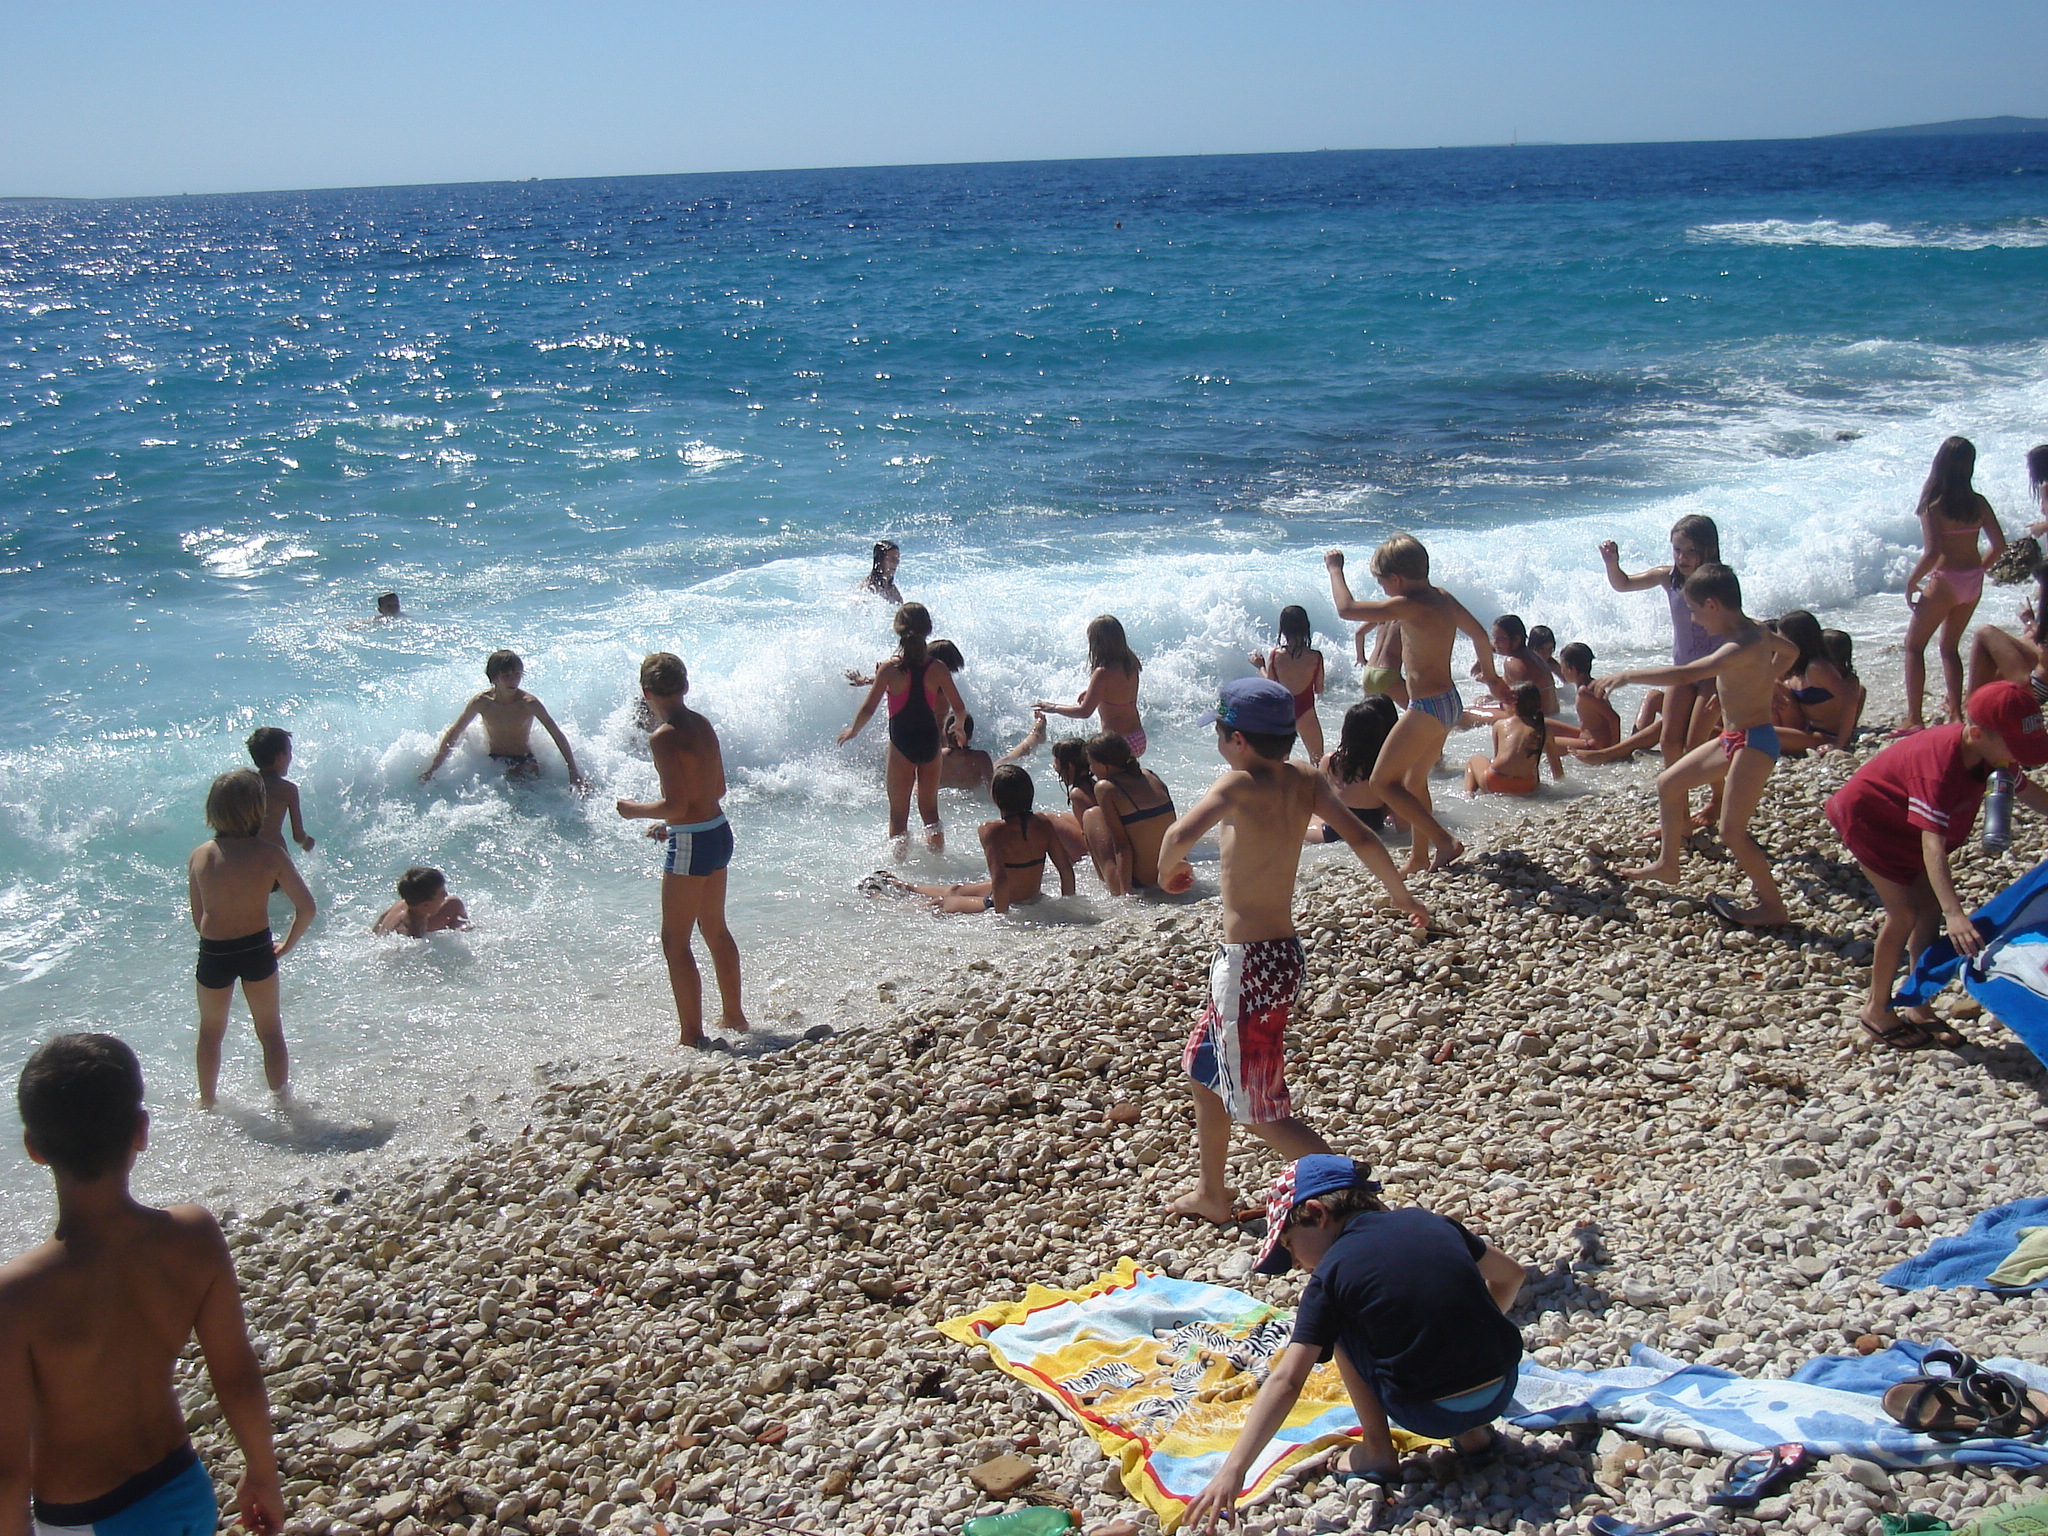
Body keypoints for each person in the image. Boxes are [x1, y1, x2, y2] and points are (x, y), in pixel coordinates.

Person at [1153, 679, 1429, 1225]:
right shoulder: (1305, 778)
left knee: (1258, 1111)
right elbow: (1362, 837)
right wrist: (1400, 895)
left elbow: (1177, 836)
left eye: (1219, 732)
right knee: (1203, 1069)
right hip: (1282, 956)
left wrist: (1167, 873)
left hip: (1248, 968)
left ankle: (1356, 1202)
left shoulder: (1235, 785)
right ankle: (1211, 1193)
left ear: (1236, 740)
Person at [0, 1035, 285, 1536]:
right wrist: (263, 1472)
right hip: (182, 1488)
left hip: (88, 1517)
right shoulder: (194, 1236)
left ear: (33, 1148)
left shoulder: (19, 1295)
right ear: (141, 1130)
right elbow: (236, 1373)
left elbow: (7, 1466)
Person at [1182, 1156, 1525, 1526]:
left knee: (1342, 1323)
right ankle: (1475, 1438)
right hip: (1501, 1387)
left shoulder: (1330, 1275)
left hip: (1429, 1412)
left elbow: (1287, 1380)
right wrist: (1462, 1330)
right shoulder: (1432, 1222)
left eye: (1290, 1244)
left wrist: (1233, 1471)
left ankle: (1377, 1450)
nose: (1296, 1263)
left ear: (1317, 1214)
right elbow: (1512, 1275)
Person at [1826, 680, 2048, 1050]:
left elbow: (2027, 791)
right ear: (1977, 734)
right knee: (1905, 914)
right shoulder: (1939, 765)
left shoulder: (1993, 754)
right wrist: (1955, 913)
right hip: (1869, 823)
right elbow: (1933, 846)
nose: (2019, 758)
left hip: (1906, 827)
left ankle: (1918, 1005)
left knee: (1927, 913)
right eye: (2016, 747)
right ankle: (1876, 1009)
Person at [1593, 564, 1797, 927]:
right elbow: (1790, 652)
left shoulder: (1738, 646)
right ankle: (1668, 865)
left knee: (1731, 832)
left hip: (1755, 742)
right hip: (1733, 738)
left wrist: (1628, 675)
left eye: (1695, 609)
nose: (1693, 618)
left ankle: (1773, 907)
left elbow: (1687, 674)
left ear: (1713, 605)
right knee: (1668, 783)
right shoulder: (1755, 629)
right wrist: (1761, 682)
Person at [1325, 538, 1510, 873]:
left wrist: (1335, 569)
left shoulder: (1409, 604)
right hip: (1449, 702)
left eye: (1381, 581)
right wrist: (1492, 677)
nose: (1382, 589)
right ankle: (1419, 856)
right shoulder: (1442, 597)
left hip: (1426, 707)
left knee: (1382, 783)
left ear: (1396, 579)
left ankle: (1444, 841)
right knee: (1413, 781)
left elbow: (1346, 609)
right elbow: (1480, 636)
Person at [615, 654, 748, 1048]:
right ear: (685, 686)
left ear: (646, 692)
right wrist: (672, 822)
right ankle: (734, 1015)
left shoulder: (663, 737)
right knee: (715, 928)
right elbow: (717, 789)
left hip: (693, 841)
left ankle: (691, 1034)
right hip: (718, 830)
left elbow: (675, 804)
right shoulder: (702, 724)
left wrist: (634, 810)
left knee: (675, 941)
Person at [188, 770, 315, 1109]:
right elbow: (306, 908)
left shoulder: (200, 855)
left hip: (214, 951)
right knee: (270, 1032)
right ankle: (283, 1103)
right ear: (258, 809)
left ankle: (207, 1103)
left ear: (213, 809)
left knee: (210, 1032)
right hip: (257, 947)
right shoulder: (271, 854)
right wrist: (287, 945)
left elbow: (198, 918)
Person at [838, 603, 968, 852]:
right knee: (930, 812)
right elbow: (959, 708)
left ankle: (899, 866)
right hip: (930, 744)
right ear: (928, 629)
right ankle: (938, 862)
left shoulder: (890, 669)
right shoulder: (937, 668)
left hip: (901, 745)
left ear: (898, 629)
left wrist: (853, 731)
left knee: (899, 816)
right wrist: (959, 727)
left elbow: (869, 709)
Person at [865, 765, 1077, 914]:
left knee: (943, 903)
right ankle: (903, 885)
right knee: (957, 889)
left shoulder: (992, 831)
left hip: (1003, 901)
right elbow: (1065, 869)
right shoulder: (1043, 824)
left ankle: (884, 902)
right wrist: (1068, 902)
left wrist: (1002, 918)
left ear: (996, 797)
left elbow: (1000, 878)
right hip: (1029, 895)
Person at [1597, 515, 1722, 765]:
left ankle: (1714, 786)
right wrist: (1612, 564)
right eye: (1677, 550)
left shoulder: (1719, 582)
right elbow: (1623, 584)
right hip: (1682, 670)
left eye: (1691, 551)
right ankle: (1678, 787)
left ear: (1709, 549)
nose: (1682, 557)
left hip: (1714, 671)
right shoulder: (1669, 577)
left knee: (1695, 742)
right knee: (1669, 741)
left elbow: (1738, 623)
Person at [1901, 436, 2005, 731]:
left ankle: (1915, 718)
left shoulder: (1934, 505)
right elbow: (1999, 545)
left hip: (1945, 580)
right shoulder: (1978, 503)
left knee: (1913, 646)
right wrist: (1979, 569)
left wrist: (1912, 581)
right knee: (1949, 647)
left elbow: (1933, 552)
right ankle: (1956, 714)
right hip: (1972, 580)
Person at [421, 650, 588, 790]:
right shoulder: (482, 702)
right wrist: (434, 768)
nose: (514, 680)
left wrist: (573, 772)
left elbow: (556, 734)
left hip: (524, 760)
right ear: (494, 678)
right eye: (507, 676)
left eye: (517, 675)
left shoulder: (529, 704)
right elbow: (456, 731)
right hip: (494, 761)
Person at [1083, 731, 1185, 894]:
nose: (1091, 769)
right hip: (1173, 874)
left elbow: (1121, 845)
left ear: (1104, 765)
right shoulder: (1150, 775)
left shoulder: (1105, 788)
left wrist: (1126, 893)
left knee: (1091, 815)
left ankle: (1109, 885)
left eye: (1091, 764)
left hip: (1142, 882)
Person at [1036, 615, 1147, 756]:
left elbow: (1084, 712)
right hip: (1138, 738)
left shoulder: (1103, 673)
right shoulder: (1131, 664)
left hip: (1117, 743)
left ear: (1098, 643)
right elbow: (1119, 690)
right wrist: (1093, 692)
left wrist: (1053, 707)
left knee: (1081, 762)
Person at [1306, 697, 1398, 843]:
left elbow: (1320, 802)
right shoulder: (1385, 765)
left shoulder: (1331, 761)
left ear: (1347, 730)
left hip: (1337, 830)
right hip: (1373, 827)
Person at [1771, 609, 1859, 754]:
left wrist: (1839, 743)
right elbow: (1767, 679)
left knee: (1759, 734)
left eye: (1781, 637)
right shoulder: (1796, 665)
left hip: (1827, 735)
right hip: (1807, 729)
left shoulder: (1817, 667)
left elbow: (1851, 700)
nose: (1778, 641)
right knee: (1772, 687)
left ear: (1794, 639)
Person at [1249, 606, 1327, 762]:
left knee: (1279, 763)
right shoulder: (1316, 657)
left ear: (1283, 629)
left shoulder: (1276, 655)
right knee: (1318, 760)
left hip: (1282, 713)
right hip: (1306, 712)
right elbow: (1319, 689)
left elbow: (1271, 685)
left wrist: (1260, 666)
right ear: (1306, 627)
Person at [1464, 684, 1559, 797]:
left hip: (1495, 782)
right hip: (1527, 785)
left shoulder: (1500, 724)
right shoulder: (1543, 729)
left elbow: (1498, 759)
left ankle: (1469, 794)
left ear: (1514, 703)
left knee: (1474, 760)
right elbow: (1557, 770)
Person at [245, 727, 314, 855]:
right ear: (279, 757)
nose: (291, 757)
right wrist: (307, 842)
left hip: (246, 853)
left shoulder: (246, 784)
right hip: (274, 854)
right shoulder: (288, 790)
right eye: (289, 752)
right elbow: (298, 836)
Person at [1475, 615, 1558, 718]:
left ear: (1516, 640)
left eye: (1501, 638)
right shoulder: (1531, 655)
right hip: (1554, 715)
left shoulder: (1512, 663)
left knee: (1468, 711)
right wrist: (1480, 660)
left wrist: (1486, 678)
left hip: (1536, 720)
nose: (1495, 642)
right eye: (1494, 637)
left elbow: (1507, 700)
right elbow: (1492, 647)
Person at [1553, 643, 1623, 755]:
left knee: (1542, 742)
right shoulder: (1592, 684)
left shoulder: (1584, 692)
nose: (1561, 671)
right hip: (1587, 736)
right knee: (1544, 724)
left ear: (1572, 669)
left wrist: (1613, 752)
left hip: (1593, 745)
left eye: (1563, 667)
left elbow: (1614, 718)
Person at [371, 866, 469, 937]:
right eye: (442, 894)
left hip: (419, 919)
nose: (446, 895)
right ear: (425, 905)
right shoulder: (410, 933)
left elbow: (378, 925)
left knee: (454, 904)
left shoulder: (406, 902)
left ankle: (460, 926)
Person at [938, 712, 995, 794]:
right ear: (970, 735)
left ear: (944, 732)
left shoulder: (937, 757)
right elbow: (992, 789)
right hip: (972, 800)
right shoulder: (981, 758)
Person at [1355, 618, 1407, 707]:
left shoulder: (1384, 613)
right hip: (1387, 674)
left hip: (1368, 672)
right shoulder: (1407, 617)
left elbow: (1359, 633)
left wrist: (1361, 657)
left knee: (1371, 713)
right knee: (1420, 711)